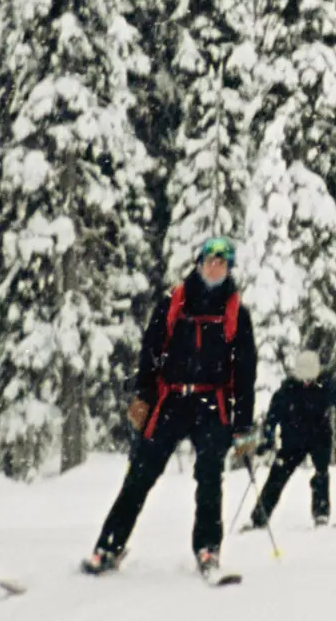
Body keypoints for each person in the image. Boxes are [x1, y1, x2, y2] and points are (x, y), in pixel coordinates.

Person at [85, 235, 261, 578]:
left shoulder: (237, 313)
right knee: (140, 474)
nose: (216, 268)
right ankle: (108, 546)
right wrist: (141, 403)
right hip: (171, 400)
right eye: (211, 261)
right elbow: (150, 354)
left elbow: (245, 373)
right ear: (198, 263)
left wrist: (243, 425)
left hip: (213, 403)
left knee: (210, 478)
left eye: (223, 264)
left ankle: (207, 549)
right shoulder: (173, 302)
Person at [248, 346, 336, 530]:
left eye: (311, 378)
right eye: (304, 379)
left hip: (320, 438)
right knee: (277, 476)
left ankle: (321, 514)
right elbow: (272, 415)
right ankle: (260, 517)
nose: (308, 382)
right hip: (293, 441)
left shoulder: (325, 385)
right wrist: (267, 439)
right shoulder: (288, 389)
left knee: (321, 474)